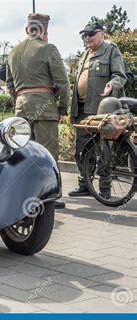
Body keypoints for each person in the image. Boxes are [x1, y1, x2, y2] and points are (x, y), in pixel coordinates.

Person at [6, 13, 69, 209]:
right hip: (44, 108)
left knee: (25, 151)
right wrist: (62, 108)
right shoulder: (48, 48)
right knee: (47, 152)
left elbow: (9, 85)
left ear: (27, 29)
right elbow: (63, 83)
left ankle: (26, 194)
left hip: (21, 108)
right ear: (45, 31)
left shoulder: (13, 52)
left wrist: (20, 101)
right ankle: (48, 195)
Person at [68, 22, 127, 197]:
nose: (87, 38)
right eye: (84, 35)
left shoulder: (111, 51)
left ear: (103, 34)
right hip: (82, 110)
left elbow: (120, 76)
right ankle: (85, 185)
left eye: (91, 34)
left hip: (103, 110)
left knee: (104, 149)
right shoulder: (84, 55)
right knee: (82, 149)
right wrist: (73, 112)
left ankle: (105, 188)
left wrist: (112, 85)